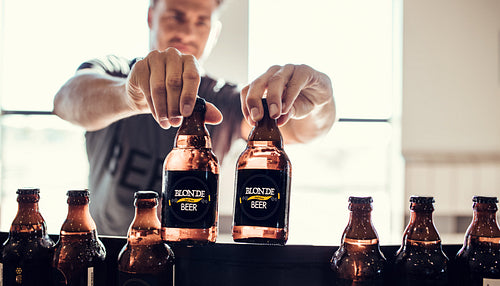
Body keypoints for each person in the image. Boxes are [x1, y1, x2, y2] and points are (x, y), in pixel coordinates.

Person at [53, 0, 336, 236]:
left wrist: (318, 102)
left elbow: (303, 131)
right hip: (112, 254)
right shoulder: (116, 72)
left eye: (201, 21)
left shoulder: (221, 97)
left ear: (214, 32)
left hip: (191, 261)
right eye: (176, 16)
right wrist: (130, 97)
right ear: (152, 16)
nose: (187, 30)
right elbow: (66, 100)